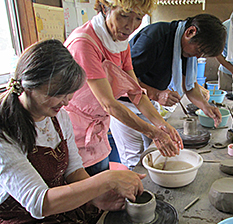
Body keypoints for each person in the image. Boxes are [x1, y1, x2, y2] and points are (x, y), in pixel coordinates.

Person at [0, 39, 145, 224]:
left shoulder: (59, 116)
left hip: (61, 205)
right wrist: (105, 180)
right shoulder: (4, 133)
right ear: (29, 86)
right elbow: (39, 203)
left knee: (119, 218)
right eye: (59, 93)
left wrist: (97, 198)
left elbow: (74, 169)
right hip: (25, 221)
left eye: (69, 93)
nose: (67, 101)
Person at [64, 0, 183, 175]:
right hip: (74, 131)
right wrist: (154, 133)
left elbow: (136, 93)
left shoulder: (121, 44)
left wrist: (163, 125)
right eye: (124, 16)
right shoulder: (84, 43)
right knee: (87, 190)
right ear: (105, 8)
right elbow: (109, 104)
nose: (130, 26)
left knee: (101, 179)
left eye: (138, 18)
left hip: (98, 129)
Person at [109, 13, 226, 169]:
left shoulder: (185, 48)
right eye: (199, 50)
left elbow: (189, 86)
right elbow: (123, 79)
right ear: (190, 32)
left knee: (155, 149)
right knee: (135, 158)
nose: (198, 57)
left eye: (203, 54)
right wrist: (156, 94)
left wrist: (206, 107)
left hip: (147, 102)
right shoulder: (154, 39)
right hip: (124, 105)